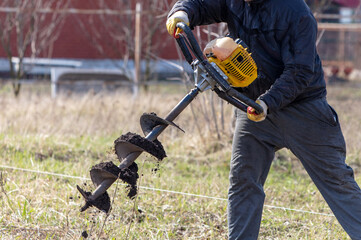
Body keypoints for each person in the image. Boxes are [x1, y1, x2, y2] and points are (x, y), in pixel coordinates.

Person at [166, 0, 361, 239]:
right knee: (244, 183)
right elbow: (202, 4)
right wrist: (181, 12)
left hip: (304, 111)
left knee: (337, 182)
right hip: (253, 108)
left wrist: (268, 102)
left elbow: (300, 71)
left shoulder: (296, 13)